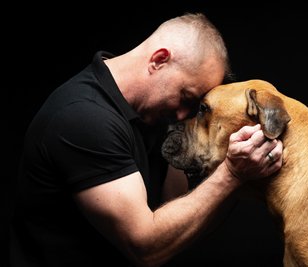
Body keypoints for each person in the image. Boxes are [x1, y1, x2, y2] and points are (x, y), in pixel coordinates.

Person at [9, 12, 283, 267]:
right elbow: (147, 247)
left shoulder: (152, 114)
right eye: (186, 97)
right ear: (159, 60)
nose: (184, 114)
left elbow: (177, 209)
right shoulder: (83, 118)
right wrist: (233, 174)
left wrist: (241, 161)